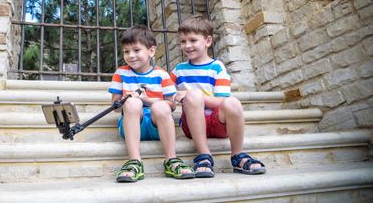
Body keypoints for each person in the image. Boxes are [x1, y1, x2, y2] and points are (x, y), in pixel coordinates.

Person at [170, 16, 266, 177]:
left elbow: (222, 101)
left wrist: (193, 94)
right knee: (193, 96)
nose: (187, 46)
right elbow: (166, 90)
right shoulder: (179, 69)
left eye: (193, 40)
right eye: (183, 41)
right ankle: (204, 155)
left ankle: (238, 155)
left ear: (208, 41)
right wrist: (175, 96)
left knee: (233, 103)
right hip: (191, 123)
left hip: (217, 122)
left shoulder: (216, 67)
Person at [108, 25, 195, 182]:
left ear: (151, 51)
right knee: (133, 104)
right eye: (126, 51)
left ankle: (171, 160)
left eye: (136, 50)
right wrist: (126, 100)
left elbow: (172, 104)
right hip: (133, 123)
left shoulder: (161, 75)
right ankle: (134, 162)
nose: (131, 55)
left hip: (157, 125)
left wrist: (146, 100)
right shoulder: (120, 73)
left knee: (160, 105)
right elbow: (115, 105)